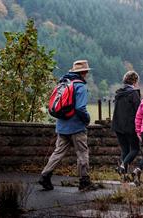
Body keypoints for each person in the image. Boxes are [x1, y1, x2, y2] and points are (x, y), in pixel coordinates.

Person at [38, 60, 96, 191]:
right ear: (83, 72)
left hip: (62, 125)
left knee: (58, 152)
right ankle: (84, 181)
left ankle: (45, 175)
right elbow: (80, 108)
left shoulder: (63, 83)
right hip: (76, 127)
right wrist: (86, 120)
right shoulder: (80, 86)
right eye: (86, 71)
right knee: (82, 153)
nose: (86, 73)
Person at [112, 71, 141, 180]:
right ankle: (122, 166)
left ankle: (124, 175)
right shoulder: (133, 94)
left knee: (125, 150)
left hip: (118, 126)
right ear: (135, 81)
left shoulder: (119, 93)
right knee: (134, 149)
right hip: (130, 126)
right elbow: (139, 111)